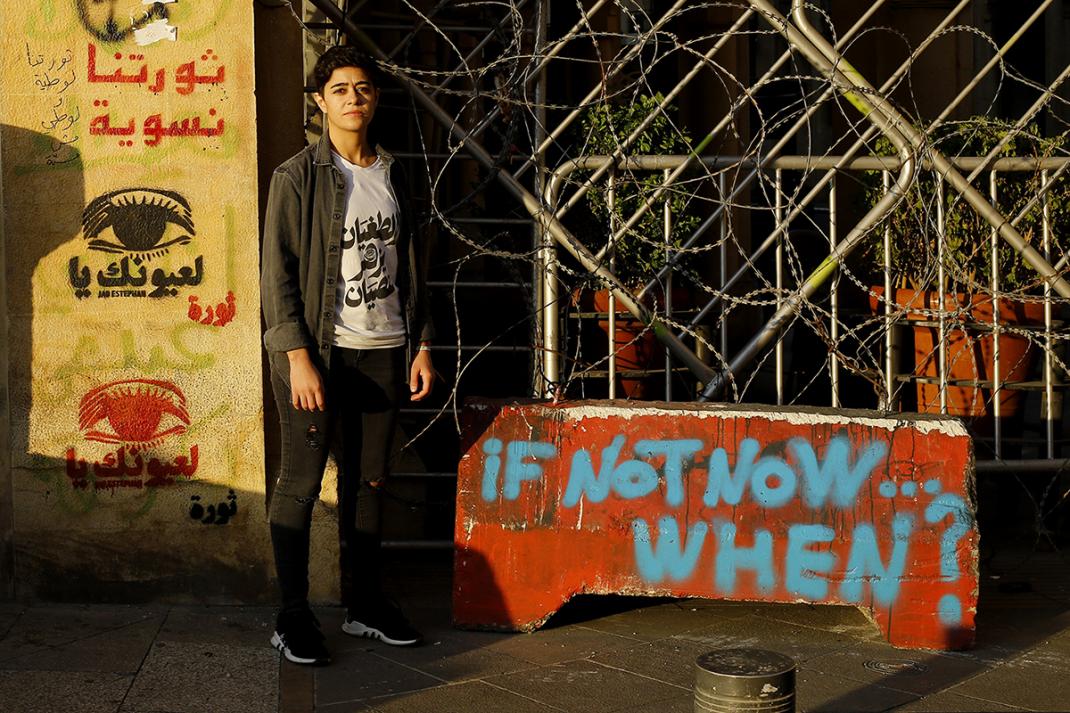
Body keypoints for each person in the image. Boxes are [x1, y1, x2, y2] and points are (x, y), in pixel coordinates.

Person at [260, 45, 434, 666]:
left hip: (386, 351)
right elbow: (275, 274)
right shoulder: (297, 177)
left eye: (362, 89)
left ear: (375, 99)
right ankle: (292, 615)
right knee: (303, 483)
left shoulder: (395, 174)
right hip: (321, 356)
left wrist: (422, 346)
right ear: (320, 101)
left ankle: (364, 607)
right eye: (339, 89)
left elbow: (415, 271)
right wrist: (296, 356)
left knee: (371, 483)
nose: (352, 99)